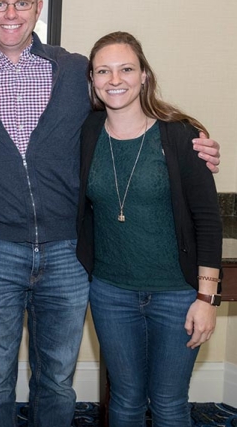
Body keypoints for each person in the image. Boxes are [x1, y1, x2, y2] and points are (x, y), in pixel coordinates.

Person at [0, 0, 221, 427]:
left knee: (56, 380)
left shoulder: (74, 71)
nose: (9, 13)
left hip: (68, 255)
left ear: (38, 9)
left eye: (21, 3)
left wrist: (194, 144)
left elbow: (129, 110)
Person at [77, 31, 222, 426]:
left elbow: (208, 221)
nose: (115, 79)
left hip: (177, 296)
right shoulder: (87, 133)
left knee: (169, 403)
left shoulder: (180, 136)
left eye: (126, 68)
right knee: (123, 400)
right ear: (92, 80)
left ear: (144, 75)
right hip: (110, 293)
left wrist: (207, 300)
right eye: (103, 71)